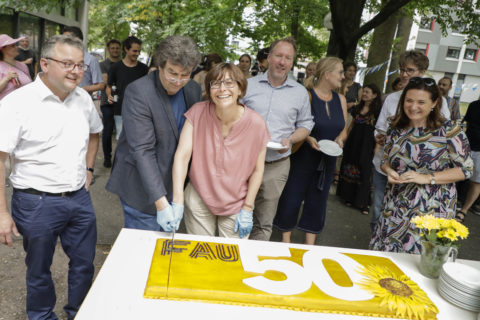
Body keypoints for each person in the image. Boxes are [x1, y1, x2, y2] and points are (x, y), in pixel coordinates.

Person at [0, 34, 102, 320]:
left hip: (79, 200)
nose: (76, 71)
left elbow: (95, 133)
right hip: (36, 203)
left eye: (80, 65)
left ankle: (79, 313)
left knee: (84, 264)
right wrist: (2, 213)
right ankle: (42, 316)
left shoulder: (82, 99)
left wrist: (89, 169)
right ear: (44, 64)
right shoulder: (16, 103)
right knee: (39, 270)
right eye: (67, 63)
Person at [106, 35, 202, 232]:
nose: (178, 81)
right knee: (143, 252)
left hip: (173, 183)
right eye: (172, 73)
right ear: (160, 66)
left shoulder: (192, 89)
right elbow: (142, 150)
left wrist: (178, 196)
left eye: (185, 74)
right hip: (140, 186)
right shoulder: (139, 92)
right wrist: (162, 204)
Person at [370, 77, 473, 254]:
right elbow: (385, 160)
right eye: (409, 100)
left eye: (421, 102)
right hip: (395, 206)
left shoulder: (448, 130)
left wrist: (426, 178)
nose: (413, 106)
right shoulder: (395, 128)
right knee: (387, 259)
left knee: (420, 264)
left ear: (434, 103)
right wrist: (389, 171)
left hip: (432, 210)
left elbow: (466, 169)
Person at [172, 63, 269, 238]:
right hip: (199, 197)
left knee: (230, 259)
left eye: (229, 83)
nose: (222, 89)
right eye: (215, 84)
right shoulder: (197, 112)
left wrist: (248, 207)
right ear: (209, 91)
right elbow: (182, 156)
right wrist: (178, 199)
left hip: (237, 202)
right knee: (201, 254)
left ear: (240, 90)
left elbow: (257, 169)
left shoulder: (256, 123)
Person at [242, 37, 314, 241]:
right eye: (279, 56)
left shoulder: (300, 93)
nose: (282, 62)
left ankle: (251, 265)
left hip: (277, 164)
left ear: (292, 62)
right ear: (269, 57)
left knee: (264, 223)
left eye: (288, 58)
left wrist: (291, 139)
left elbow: (306, 124)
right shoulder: (248, 86)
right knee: (236, 215)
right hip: (244, 162)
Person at [371, 50, 451, 232]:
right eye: (402, 70)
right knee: (378, 213)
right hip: (385, 167)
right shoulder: (391, 99)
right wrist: (380, 137)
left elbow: (442, 136)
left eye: (410, 70)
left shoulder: (439, 102)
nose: (404, 74)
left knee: (412, 221)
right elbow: (379, 128)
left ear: (422, 72)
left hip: (418, 171)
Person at [273, 57, 347, 245]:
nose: (343, 76)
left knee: (318, 201)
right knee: (292, 197)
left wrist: (340, 139)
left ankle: (310, 245)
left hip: (328, 160)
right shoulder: (305, 95)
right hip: (303, 158)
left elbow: (343, 129)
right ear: (326, 74)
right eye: (340, 72)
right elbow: (292, 125)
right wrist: (307, 137)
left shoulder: (341, 99)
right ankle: (285, 241)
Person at [337, 83, 382, 216]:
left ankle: (363, 203)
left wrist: (377, 148)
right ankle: (348, 197)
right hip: (353, 142)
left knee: (365, 171)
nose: (364, 94)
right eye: (363, 92)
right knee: (350, 168)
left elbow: (380, 129)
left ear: (374, 95)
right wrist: (344, 140)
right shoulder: (357, 108)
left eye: (367, 92)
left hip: (367, 145)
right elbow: (351, 125)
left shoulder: (378, 111)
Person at [106, 36, 149, 147]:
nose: (137, 54)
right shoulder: (116, 67)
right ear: (126, 49)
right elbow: (108, 86)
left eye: (139, 51)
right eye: (135, 51)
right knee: (121, 139)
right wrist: (109, 95)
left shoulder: (144, 69)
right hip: (120, 109)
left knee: (137, 140)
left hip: (139, 110)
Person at [455, 98, 480, 222]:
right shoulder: (474, 105)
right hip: (466, 146)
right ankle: (453, 202)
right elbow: (468, 124)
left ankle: (463, 210)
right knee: (455, 175)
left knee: (476, 182)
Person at [62, 26, 105, 94]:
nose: (63, 41)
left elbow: (101, 85)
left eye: (67, 38)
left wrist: (81, 89)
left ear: (78, 40)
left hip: (82, 101)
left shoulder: (91, 59)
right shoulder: (60, 58)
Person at [99, 39, 121, 168]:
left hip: (122, 103)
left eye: (117, 48)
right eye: (112, 48)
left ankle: (120, 158)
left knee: (121, 131)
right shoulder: (103, 65)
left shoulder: (125, 63)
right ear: (108, 49)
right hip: (106, 102)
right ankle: (107, 157)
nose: (115, 50)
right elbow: (106, 82)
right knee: (107, 131)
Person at [0, 34, 32, 100]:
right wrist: (6, 78)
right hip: (6, 107)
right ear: (3, 49)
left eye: (15, 45)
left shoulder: (23, 66)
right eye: (12, 46)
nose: (16, 47)